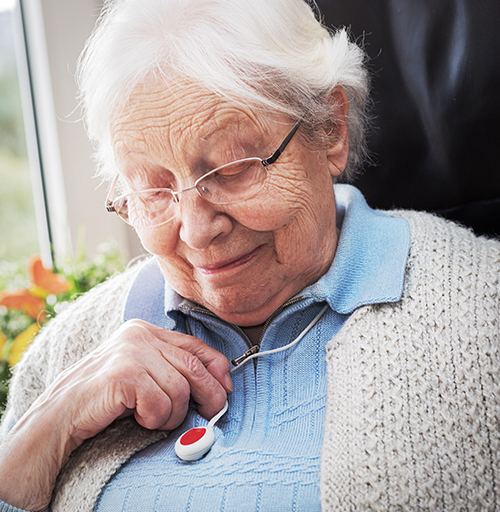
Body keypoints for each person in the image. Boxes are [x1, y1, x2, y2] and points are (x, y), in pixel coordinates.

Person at [0, 0, 499, 510]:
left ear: (329, 128)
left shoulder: (484, 317)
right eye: (153, 189)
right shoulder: (69, 349)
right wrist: (41, 437)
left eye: (234, 168)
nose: (196, 232)